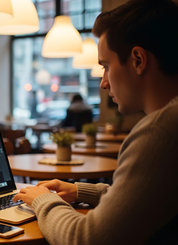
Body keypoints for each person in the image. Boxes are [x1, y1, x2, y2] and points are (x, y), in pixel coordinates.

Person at [13, 0, 178, 244]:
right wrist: (80, 191)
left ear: (138, 60)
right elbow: (142, 197)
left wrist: (42, 200)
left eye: (106, 66)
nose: (103, 83)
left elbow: (85, 238)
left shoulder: (161, 131)